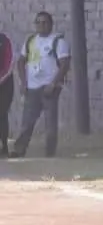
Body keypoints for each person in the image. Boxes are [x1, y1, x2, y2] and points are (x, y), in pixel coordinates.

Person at [12, 12, 71, 158]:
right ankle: (19, 150)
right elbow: (20, 61)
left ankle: (49, 154)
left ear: (51, 24)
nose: (41, 25)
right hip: (32, 88)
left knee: (50, 124)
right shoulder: (30, 41)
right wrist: (23, 82)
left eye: (45, 22)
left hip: (49, 87)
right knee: (27, 122)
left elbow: (64, 65)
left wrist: (53, 83)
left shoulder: (58, 41)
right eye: (38, 22)